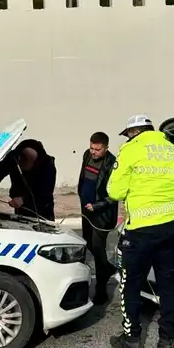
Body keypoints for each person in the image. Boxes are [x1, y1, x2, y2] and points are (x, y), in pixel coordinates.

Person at [106, 114, 174, 348]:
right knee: (168, 284)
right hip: (171, 226)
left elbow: (114, 190)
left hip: (141, 230)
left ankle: (132, 339)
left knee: (130, 283)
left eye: (128, 134)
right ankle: (167, 341)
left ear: (133, 132)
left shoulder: (131, 150)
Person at [77, 131, 119, 306]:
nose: (94, 152)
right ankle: (108, 268)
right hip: (86, 209)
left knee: (97, 247)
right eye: (92, 148)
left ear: (106, 148)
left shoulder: (112, 163)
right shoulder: (86, 155)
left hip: (102, 213)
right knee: (88, 243)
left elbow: (115, 194)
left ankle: (101, 291)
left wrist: (98, 205)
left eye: (98, 149)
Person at [0, 139, 57, 221]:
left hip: (43, 210)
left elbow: (44, 193)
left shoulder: (48, 166)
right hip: (21, 209)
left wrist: (23, 200)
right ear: (19, 159)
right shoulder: (14, 157)